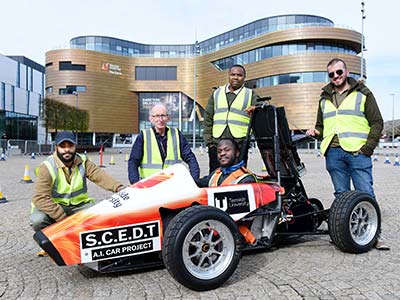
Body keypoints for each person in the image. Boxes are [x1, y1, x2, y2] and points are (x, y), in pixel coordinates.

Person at [306, 58, 388, 250]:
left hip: (357, 152)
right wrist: (315, 132)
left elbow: (377, 122)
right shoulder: (325, 98)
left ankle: (375, 235)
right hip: (333, 153)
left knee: (365, 194)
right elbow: (321, 125)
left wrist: (368, 148)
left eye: (339, 72)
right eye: (332, 74)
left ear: (347, 72)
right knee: (341, 196)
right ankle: (345, 235)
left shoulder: (363, 94)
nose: (335, 77)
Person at [31, 131, 125, 255]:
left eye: (70, 146)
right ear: (56, 148)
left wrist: (120, 188)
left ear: (75, 147)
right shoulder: (47, 167)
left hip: (78, 205)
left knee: (99, 216)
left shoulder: (83, 162)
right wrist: (63, 218)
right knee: (38, 220)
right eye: (62, 146)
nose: (67, 150)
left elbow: (100, 176)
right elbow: (40, 198)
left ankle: (87, 242)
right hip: (53, 208)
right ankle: (50, 244)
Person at [203, 64, 260, 173]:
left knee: (238, 176)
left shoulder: (250, 94)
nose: (236, 77)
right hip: (216, 142)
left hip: (239, 143)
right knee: (216, 175)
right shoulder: (216, 93)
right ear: (228, 76)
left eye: (239, 75)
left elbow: (261, 112)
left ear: (244, 78)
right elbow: (208, 118)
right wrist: (209, 142)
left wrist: (256, 108)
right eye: (233, 74)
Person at [128, 102, 200, 184]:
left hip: (172, 185)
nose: (160, 119)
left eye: (163, 115)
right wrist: (135, 184)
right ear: (151, 118)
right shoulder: (143, 136)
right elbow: (133, 162)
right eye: (157, 116)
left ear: (168, 118)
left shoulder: (176, 134)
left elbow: (190, 158)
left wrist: (194, 180)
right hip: (150, 186)